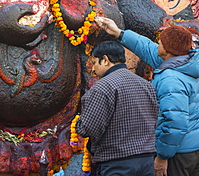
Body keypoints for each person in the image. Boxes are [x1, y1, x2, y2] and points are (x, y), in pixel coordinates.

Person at [95, 16, 199, 176]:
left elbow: (175, 123)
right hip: (191, 147)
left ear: (168, 49)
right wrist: (119, 33)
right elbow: (147, 47)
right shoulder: (183, 63)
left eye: (161, 42)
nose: (158, 44)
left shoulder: (170, 79)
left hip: (178, 153)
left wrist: (163, 157)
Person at [75, 40, 159, 176]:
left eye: (95, 62)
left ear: (105, 60)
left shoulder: (103, 87)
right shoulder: (146, 85)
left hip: (117, 162)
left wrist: (78, 122)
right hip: (146, 159)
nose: (93, 69)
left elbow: (88, 128)